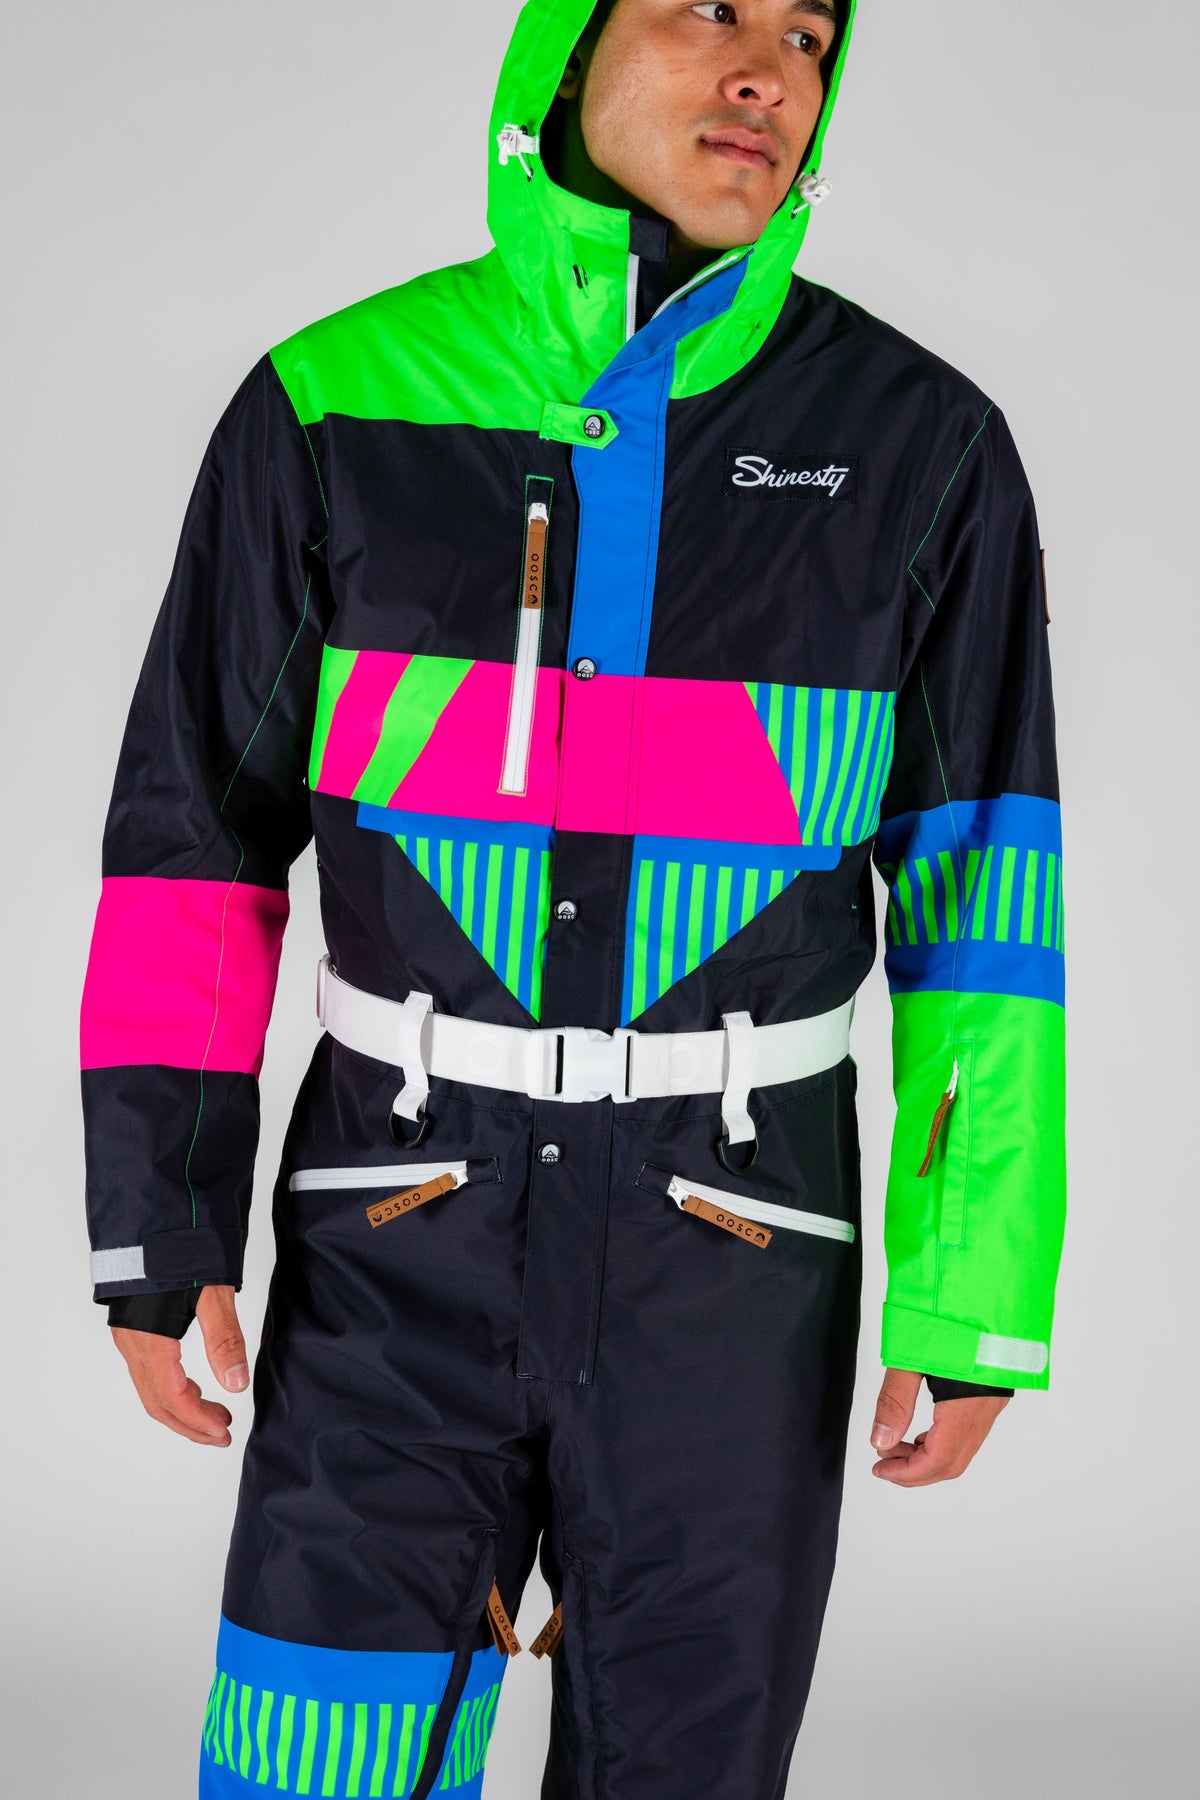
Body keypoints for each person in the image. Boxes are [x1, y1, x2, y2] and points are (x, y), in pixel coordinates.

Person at [79, 1, 1068, 1794]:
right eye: (713, 8)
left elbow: (984, 902)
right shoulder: (333, 403)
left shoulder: (920, 444)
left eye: (810, 33)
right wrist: (159, 1221)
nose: (768, 70)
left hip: (735, 1253)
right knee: (313, 1754)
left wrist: (972, 1293)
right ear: (568, 43)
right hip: (393, 1231)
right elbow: (191, 842)